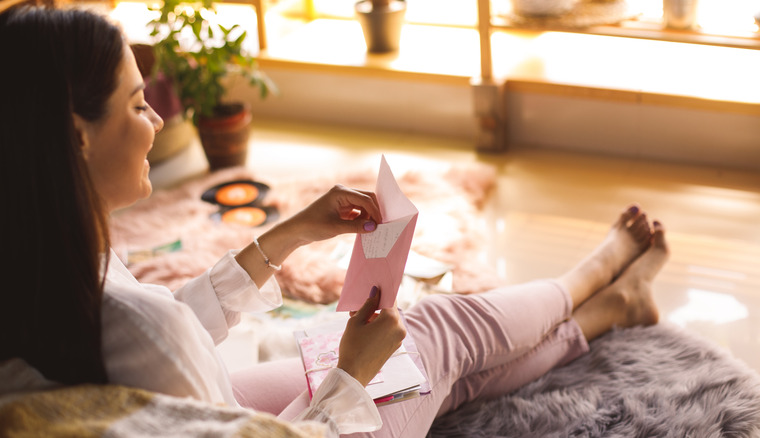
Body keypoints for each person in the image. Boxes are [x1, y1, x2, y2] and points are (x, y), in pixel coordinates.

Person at [0, 5, 669, 437]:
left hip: (193, 409)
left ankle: (605, 312)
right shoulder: (140, 322)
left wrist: (288, 235)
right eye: (137, 104)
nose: (158, 119)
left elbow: (152, 339)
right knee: (436, 330)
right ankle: (596, 274)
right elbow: (160, 334)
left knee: (433, 374)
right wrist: (351, 374)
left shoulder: (42, 257)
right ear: (77, 136)